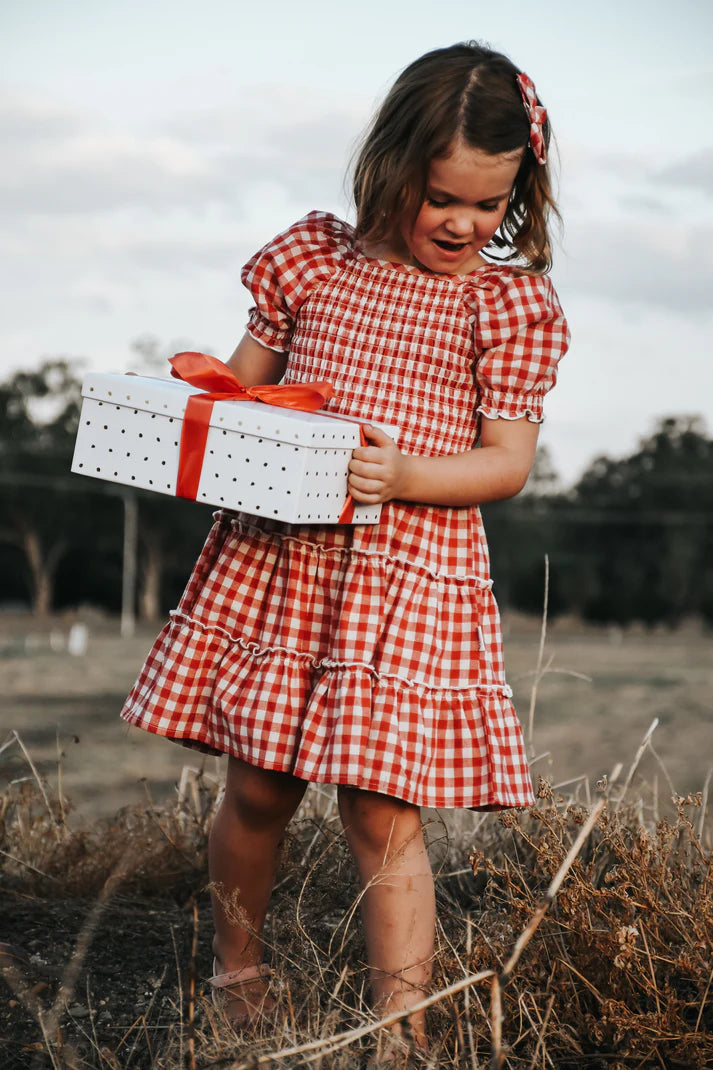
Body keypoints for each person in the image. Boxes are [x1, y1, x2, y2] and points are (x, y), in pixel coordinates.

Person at [121, 40, 569, 1061]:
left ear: (518, 193)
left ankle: (398, 1028)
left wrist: (405, 473)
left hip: (406, 576)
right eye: (441, 196)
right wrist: (181, 419)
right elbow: (235, 396)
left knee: (381, 807)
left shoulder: (503, 306)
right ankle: (237, 977)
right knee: (259, 786)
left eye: (487, 204)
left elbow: (504, 463)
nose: (462, 223)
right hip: (284, 563)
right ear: (391, 168)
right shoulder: (312, 260)